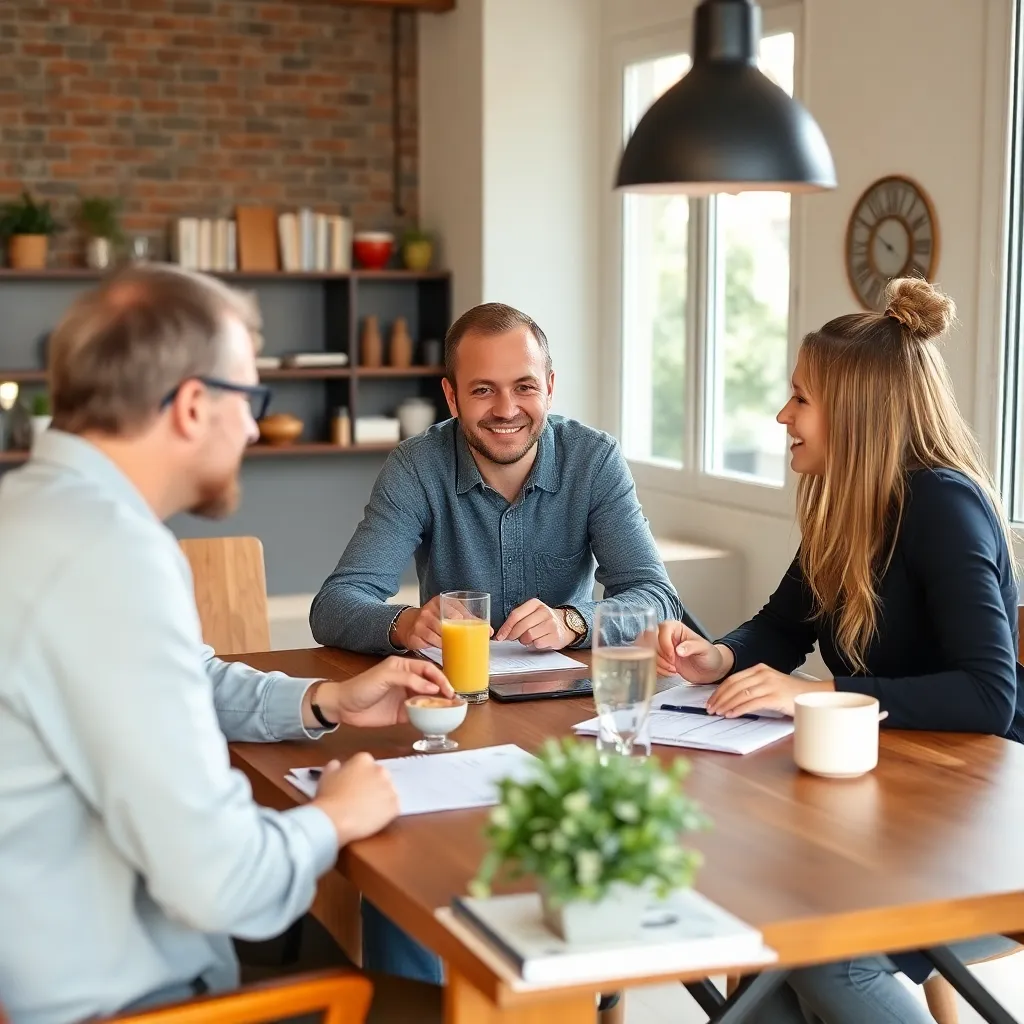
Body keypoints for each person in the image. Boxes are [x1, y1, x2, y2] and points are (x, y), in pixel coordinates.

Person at [0, 265, 452, 1024]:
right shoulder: (110, 556)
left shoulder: (33, 513)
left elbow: (177, 680)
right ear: (192, 404)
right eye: (250, 399)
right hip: (138, 1003)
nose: (251, 426)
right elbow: (223, 883)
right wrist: (335, 817)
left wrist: (323, 699)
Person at [658, 277, 1022, 1024]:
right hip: (886, 808)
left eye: (800, 399)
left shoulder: (944, 508)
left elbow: (991, 697)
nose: (782, 415)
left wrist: (822, 697)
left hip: (978, 828)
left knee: (821, 950)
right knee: (771, 938)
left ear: (853, 414)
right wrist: (717, 658)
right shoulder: (844, 506)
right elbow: (781, 628)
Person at [309, 301, 695, 657]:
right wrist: (404, 623)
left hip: (569, 695)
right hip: (456, 695)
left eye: (524, 387)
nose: (506, 409)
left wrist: (573, 622)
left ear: (549, 388)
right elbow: (334, 605)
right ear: (452, 396)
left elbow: (656, 597)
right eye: (483, 390)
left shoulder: (593, 460)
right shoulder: (416, 466)